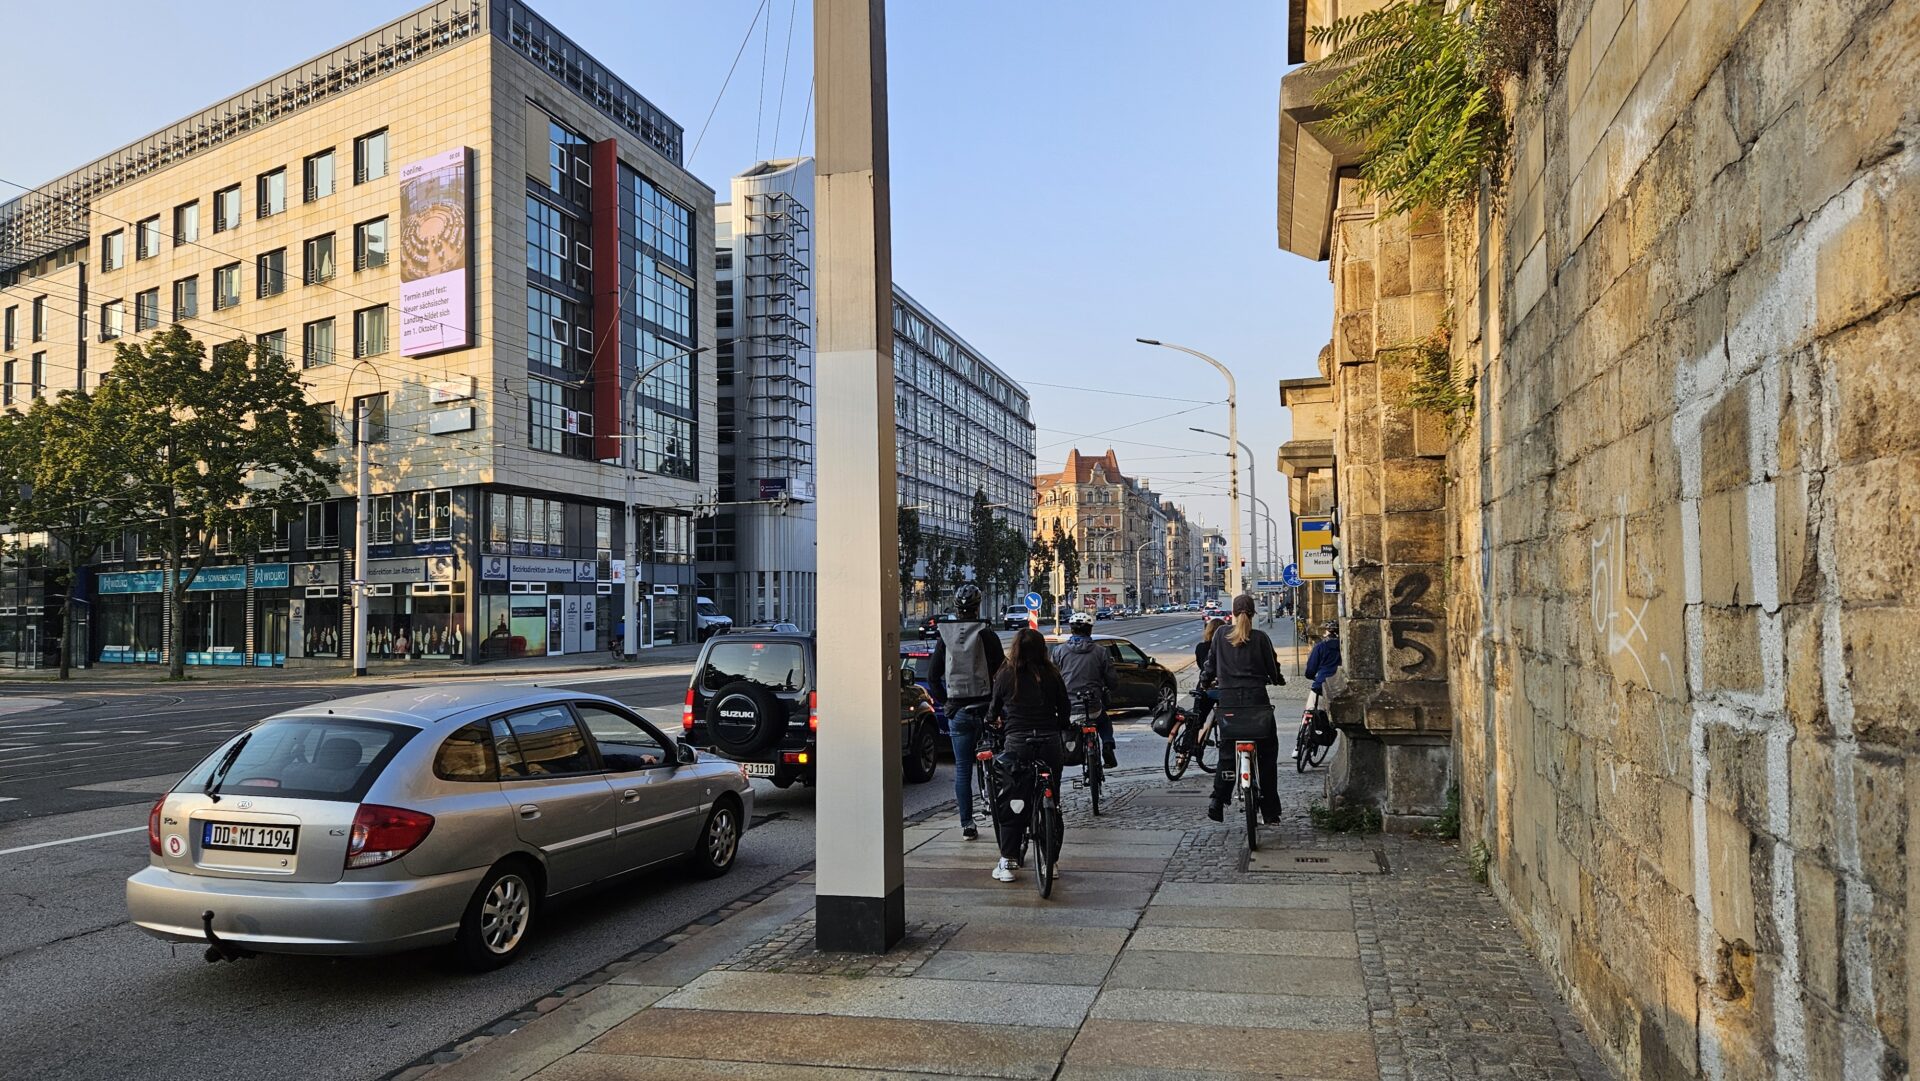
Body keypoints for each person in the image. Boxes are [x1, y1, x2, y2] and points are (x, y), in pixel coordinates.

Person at [986, 626, 1071, 882]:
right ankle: (1051, 862)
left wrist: (993, 721)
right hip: (1049, 742)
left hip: (1018, 742)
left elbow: (993, 710)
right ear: (1042, 649)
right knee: (1052, 800)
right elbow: (1064, 708)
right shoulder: (1051, 673)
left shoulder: (1006, 675)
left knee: (1013, 801)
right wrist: (1060, 727)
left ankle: (1009, 861)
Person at [931, 584, 1005, 840]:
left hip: (958, 710)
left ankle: (967, 825)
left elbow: (932, 677)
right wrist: (999, 705)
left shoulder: (945, 637)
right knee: (1000, 761)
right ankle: (1003, 812)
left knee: (963, 768)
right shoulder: (987, 635)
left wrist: (946, 703)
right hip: (986, 708)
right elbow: (1002, 674)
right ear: (978, 607)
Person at [1207, 593, 1286, 823]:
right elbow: (1272, 667)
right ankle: (1270, 810)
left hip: (1229, 704)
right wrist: (1277, 678)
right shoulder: (1261, 638)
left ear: (1232, 613)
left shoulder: (1220, 634)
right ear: (1253, 613)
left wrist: (1204, 682)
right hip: (1256, 704)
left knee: (1226, 752)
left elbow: (1210, 665)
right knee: (1267, 754)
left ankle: (1218, 800)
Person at [1050, 615, 1118, 767]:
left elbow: (1052, 678)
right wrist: (1109, 686)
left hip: (1068, 707)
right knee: (1104, 722)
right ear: (1090, 630)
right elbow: (1112, 680)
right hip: (1092, 706)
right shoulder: (1101, 652)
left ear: (1071, 630)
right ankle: (1108, 745)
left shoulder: (1059, 651)